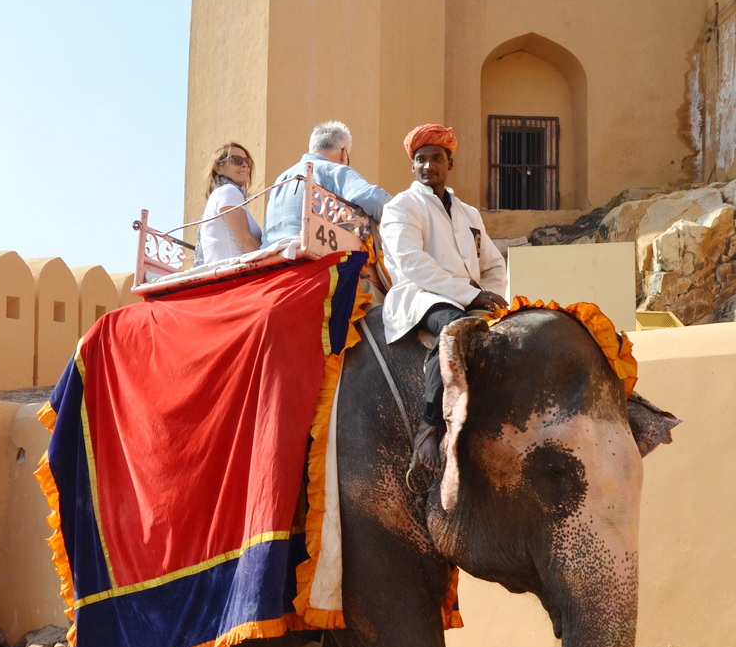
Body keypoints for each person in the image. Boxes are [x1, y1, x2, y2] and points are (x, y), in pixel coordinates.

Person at [380, 124, 508, 480]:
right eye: (420, 159)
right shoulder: (401, 207)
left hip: (468, 299)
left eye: (436, 158)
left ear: (449, 161)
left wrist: (488, 300)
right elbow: (412, 263)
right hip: (420, 296)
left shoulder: (469, 213)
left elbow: (493, 265)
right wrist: (470, 295)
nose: (427, 166)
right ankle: (429, 427)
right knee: (455, 329)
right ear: (413, 166)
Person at [261, 120, 392, 247]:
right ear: (344, 152)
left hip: (271, 253)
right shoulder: (334, 170)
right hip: (311, 250)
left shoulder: (281, 178)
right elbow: (376, 200)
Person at [195, 142, 262, 265]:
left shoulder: (221, 194)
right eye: (236, 160)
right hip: (235, 274)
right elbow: (245, 242)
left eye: (247, 162)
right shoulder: (228, 191)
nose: (244, 165)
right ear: (218, 168)